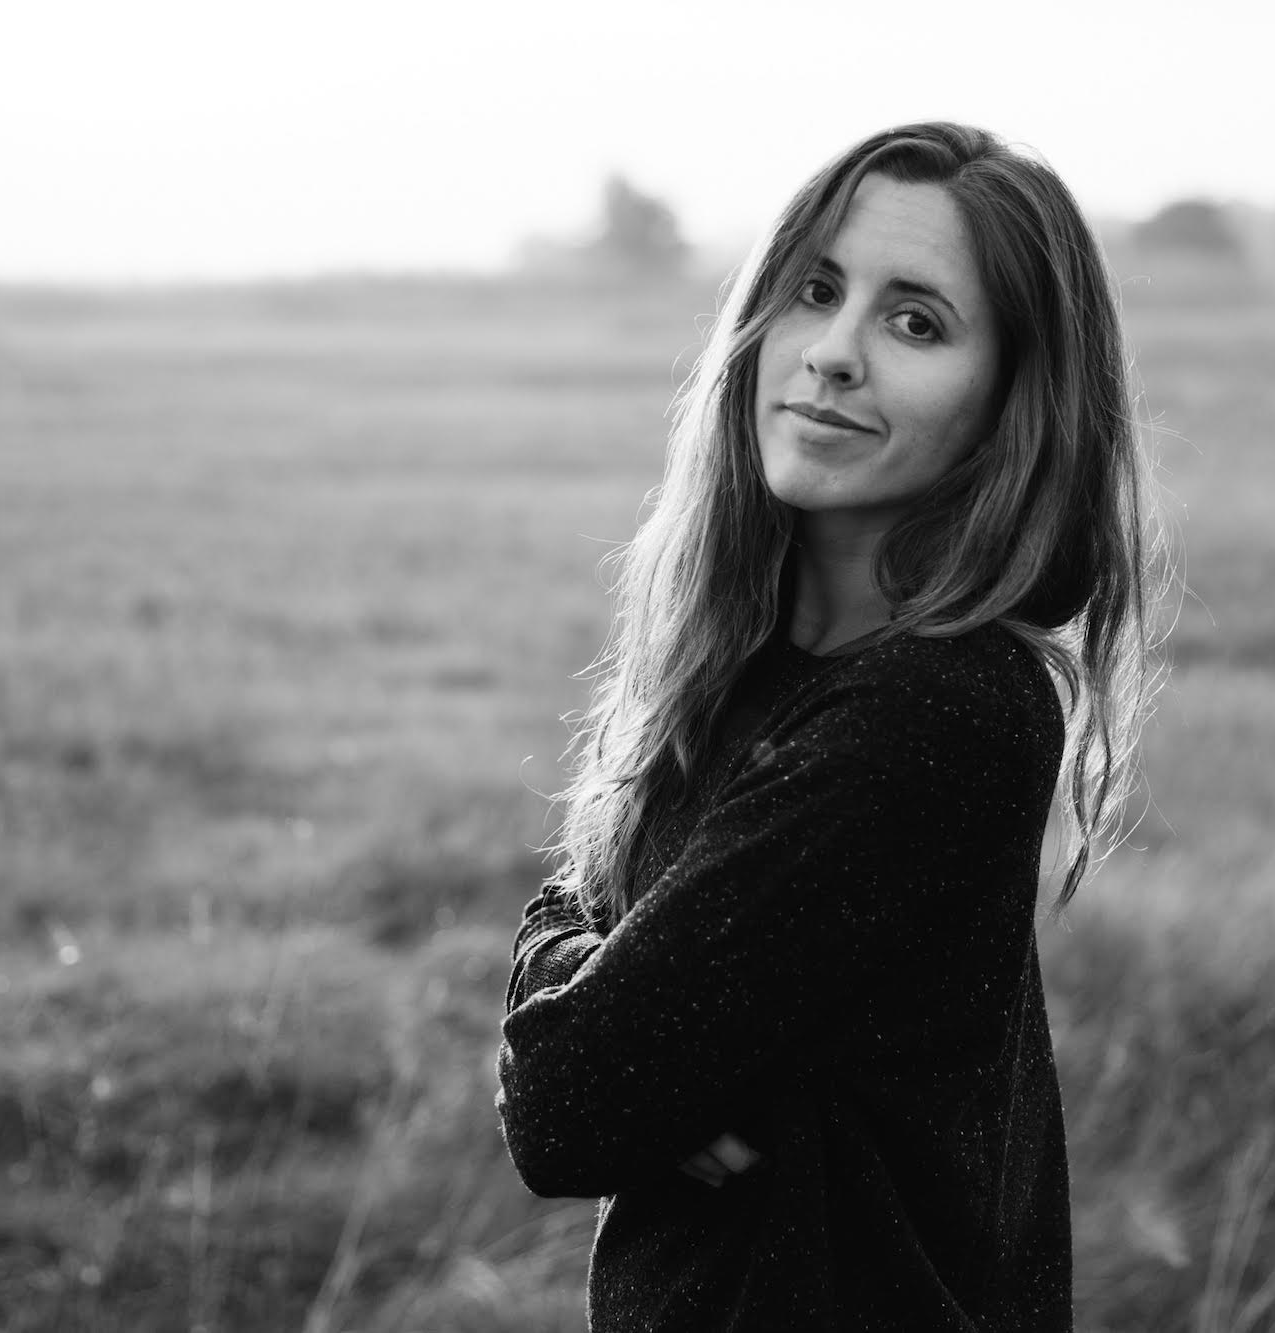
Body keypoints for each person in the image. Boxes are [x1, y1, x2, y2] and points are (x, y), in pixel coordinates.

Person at [494, 121, 1159, 1332]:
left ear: (1012, 402)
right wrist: (617, 1003)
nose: (833, 355)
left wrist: (596, 1002)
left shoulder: (933, 711)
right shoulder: (752, 666)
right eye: (814, 291)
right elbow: (594, 950)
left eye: (915, 322)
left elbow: (566, 1105)